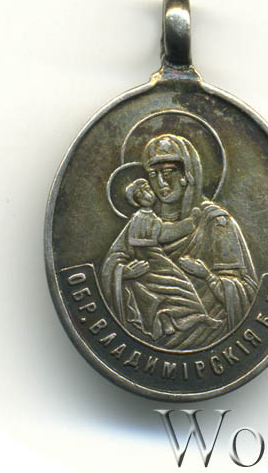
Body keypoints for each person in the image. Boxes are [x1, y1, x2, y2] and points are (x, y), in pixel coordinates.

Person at [102, 134, 258, 350]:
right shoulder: (140, 222)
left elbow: (244, 291)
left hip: (208, 338)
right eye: (153, 174)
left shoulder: (216, 223)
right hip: (152, 335)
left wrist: (206, 276)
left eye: (168, 173)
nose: (161, 183)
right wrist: (125, 273)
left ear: (187, 175)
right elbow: (111, 266)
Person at [119, 178, 221, 343]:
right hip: (153, 259)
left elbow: (162, 230)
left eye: (147, 189)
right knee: (181, 285)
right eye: (140, 193)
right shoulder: (141, 217)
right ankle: (199, 317)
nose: (147, 193)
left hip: (154, 258)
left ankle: (169, 322)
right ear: (137, 201)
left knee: (169, 291)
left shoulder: (148, 216)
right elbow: (164, 234)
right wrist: (190, 223)